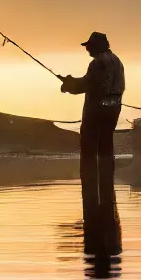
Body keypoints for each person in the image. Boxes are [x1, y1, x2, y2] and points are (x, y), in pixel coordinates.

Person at [58, 31, 125, 256]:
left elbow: (85, 85)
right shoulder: (117, 61)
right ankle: (106, 179)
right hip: (114, 106)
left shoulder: (98, 63)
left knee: (88, 145)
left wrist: (68, 85)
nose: (86, 49)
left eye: (89, 46)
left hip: (97, 109)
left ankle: (90, 179)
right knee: (106, 144)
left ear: (96, 47)